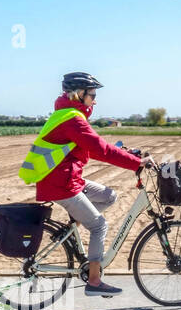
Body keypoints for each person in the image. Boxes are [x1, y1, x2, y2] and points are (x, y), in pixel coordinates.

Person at [17, 72, 155, 296]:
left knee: (108, 196)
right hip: (61, 184)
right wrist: (137, 163)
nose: (95, 100)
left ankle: (73, 229)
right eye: (92, 95)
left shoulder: (70, 115)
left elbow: (95, 146)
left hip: (67, 178)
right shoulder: (72, 119)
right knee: (99, 226)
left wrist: (126, 154)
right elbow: (100, 149)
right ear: (78, 94)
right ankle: (94, 281)